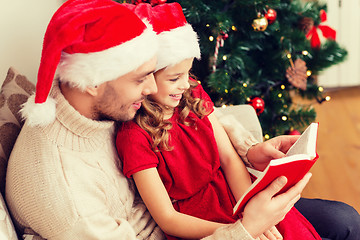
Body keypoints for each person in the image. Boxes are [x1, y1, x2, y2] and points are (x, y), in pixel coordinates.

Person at [5, 0, 359, 239]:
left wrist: (250, 152)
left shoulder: (94, 96)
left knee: (345, 220)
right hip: (199, 228)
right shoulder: (65, 196)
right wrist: (246, 227)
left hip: (224, 206)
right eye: (140, 78)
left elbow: (199, 124)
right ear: (95, 82)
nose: (151, 89)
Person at [116, 3, 323, 240]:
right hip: (198, 222)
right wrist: (242, 229)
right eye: (174, 78)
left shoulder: (192, 94)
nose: (185, 85)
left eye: (188, 73)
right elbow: (168, 219)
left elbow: (228, 158)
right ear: (145, 77)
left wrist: (249, 211)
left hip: (235, 194)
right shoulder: (133, 136)